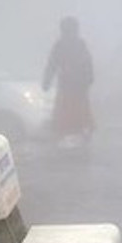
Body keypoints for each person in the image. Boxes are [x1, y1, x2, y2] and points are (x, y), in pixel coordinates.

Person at [42, 16, 94, 147]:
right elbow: (88, 63)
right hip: (77, 85)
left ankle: (72, 133)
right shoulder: (77, 44)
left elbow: (52, 65)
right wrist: (89, 79)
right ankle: (79, 132)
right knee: (77, 110)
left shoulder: (61, 45)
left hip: (70, 84)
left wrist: (46, 82)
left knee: (67, 110)